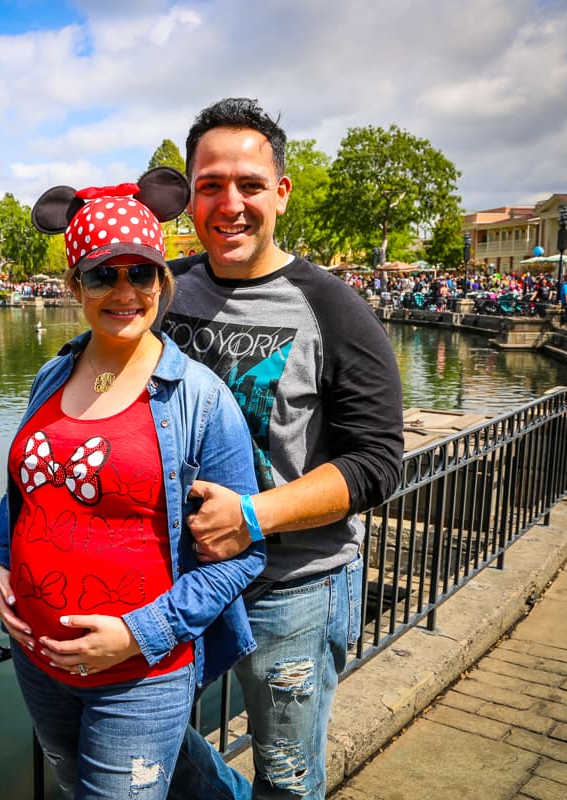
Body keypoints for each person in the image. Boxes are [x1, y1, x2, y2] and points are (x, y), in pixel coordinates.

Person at [0, 166, 267, 799]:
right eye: (101, 274)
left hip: (141, 674)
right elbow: (22, 494)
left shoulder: (199, 398)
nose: (123, 291)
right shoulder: (51, 376)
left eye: (140, 271)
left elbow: (243, 557)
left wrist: (138, 634)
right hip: (39, 662)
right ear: (72, 284)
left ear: (163, 281)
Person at [160, 98, 405, 799]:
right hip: (175, 585)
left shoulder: (331, 307)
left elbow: (378, 461)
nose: (229, 204)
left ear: (282, 194)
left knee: (289, 782)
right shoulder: (161, 288)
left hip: (292, 588)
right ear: (188, 195)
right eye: (210, 185)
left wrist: (254, 515)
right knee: (139, 742)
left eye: (249, 185)